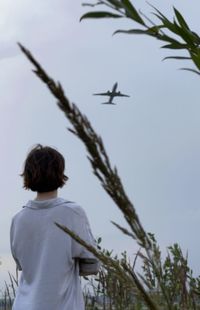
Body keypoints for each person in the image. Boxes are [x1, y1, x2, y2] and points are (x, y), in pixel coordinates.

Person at [10, 144, 100, 310]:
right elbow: (92, 265)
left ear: (28, 175)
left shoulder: (18, 220)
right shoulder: (73, 213)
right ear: (60, 173)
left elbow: (24, 266)